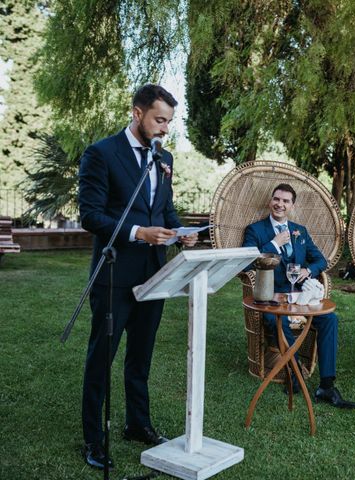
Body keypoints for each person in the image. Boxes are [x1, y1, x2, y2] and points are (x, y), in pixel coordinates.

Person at [78, 84, 198, 469]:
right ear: (137, 113)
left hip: (155, 274)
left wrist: (182, 234)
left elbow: (163, 209)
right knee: (102, 358)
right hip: (114, 274)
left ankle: (137, 424)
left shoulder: (164, 158)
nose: (165, 128)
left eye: (168, 122)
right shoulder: (101, 154)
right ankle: (94, 440)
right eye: (159, 120)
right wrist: (136, 233)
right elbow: (90, 215)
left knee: (140, 359)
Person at [242, 183, 355, 409]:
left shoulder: (300, 231)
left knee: (329, 319)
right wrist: (275, 243)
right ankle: (294, 376)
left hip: (299, 298)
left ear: (292, 205)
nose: (280, 204)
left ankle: (326, 385)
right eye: (277, 199)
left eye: (285, 201)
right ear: (270, 201)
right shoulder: (255, 230)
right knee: (279, 322)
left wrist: (309, 271)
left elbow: (321, 260)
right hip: (271, 298)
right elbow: (247, 260)